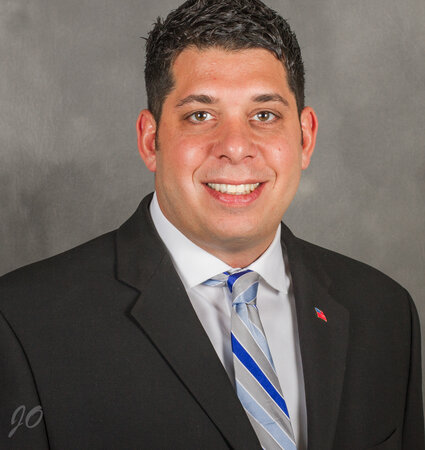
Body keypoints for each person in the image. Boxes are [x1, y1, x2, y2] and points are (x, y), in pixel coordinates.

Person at [0, 0, 423, 448]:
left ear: (305, 137)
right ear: (150, 139)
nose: (236, 147)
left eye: (264, 115)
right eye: (200, 115)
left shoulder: (384, 312)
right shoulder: (22, 324)